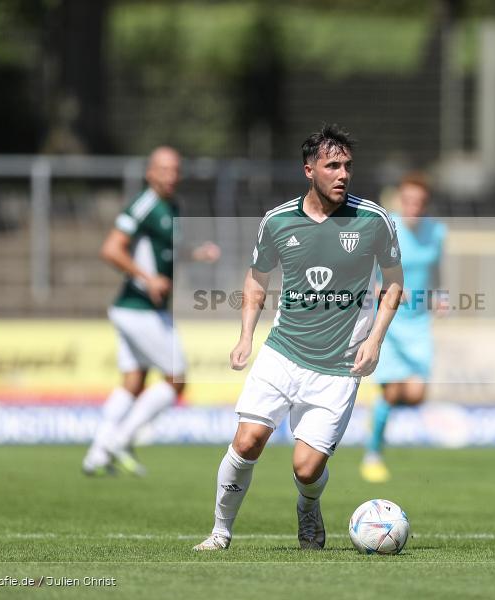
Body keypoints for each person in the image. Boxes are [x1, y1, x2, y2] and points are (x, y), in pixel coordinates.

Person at [193, 124, 404, 551]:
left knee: (306, 469)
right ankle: (219, 533)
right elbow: (256, 282)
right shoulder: (277, 221)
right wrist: (246, 337)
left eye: (347, 165)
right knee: (247, 440)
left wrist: (375, 340)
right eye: (332, 166)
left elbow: (395, 284)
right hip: (282, 352)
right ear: (309, 170)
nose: (342, 174)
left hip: (340, 366)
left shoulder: (373, 220)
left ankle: (308, 507)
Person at [82, 146, 220, 476]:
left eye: (176, 169)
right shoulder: (143, 205)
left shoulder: (171, 206)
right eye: (165, 169)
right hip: (139, 309)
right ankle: (119, 440)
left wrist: (194, 254)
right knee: (176, 379)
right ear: (150, 172)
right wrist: (147, 278)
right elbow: (111, 249)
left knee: (134, 381)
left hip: (139, 309)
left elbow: (164, 252)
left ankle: (96, 454)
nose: (172, 175)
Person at [360, 172, 447, 483]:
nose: (414, 206)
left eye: (420, 201)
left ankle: (380, 417)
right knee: (392, 389)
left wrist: (441, 296)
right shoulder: (388, 227)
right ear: (400, 199)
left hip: (419, 322)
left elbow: (437, 270)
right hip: (390, 319)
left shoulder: (436, 232)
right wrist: (380, 290)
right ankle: (373, 454)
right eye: (409, 200)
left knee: (416, 392)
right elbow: (366, 267)